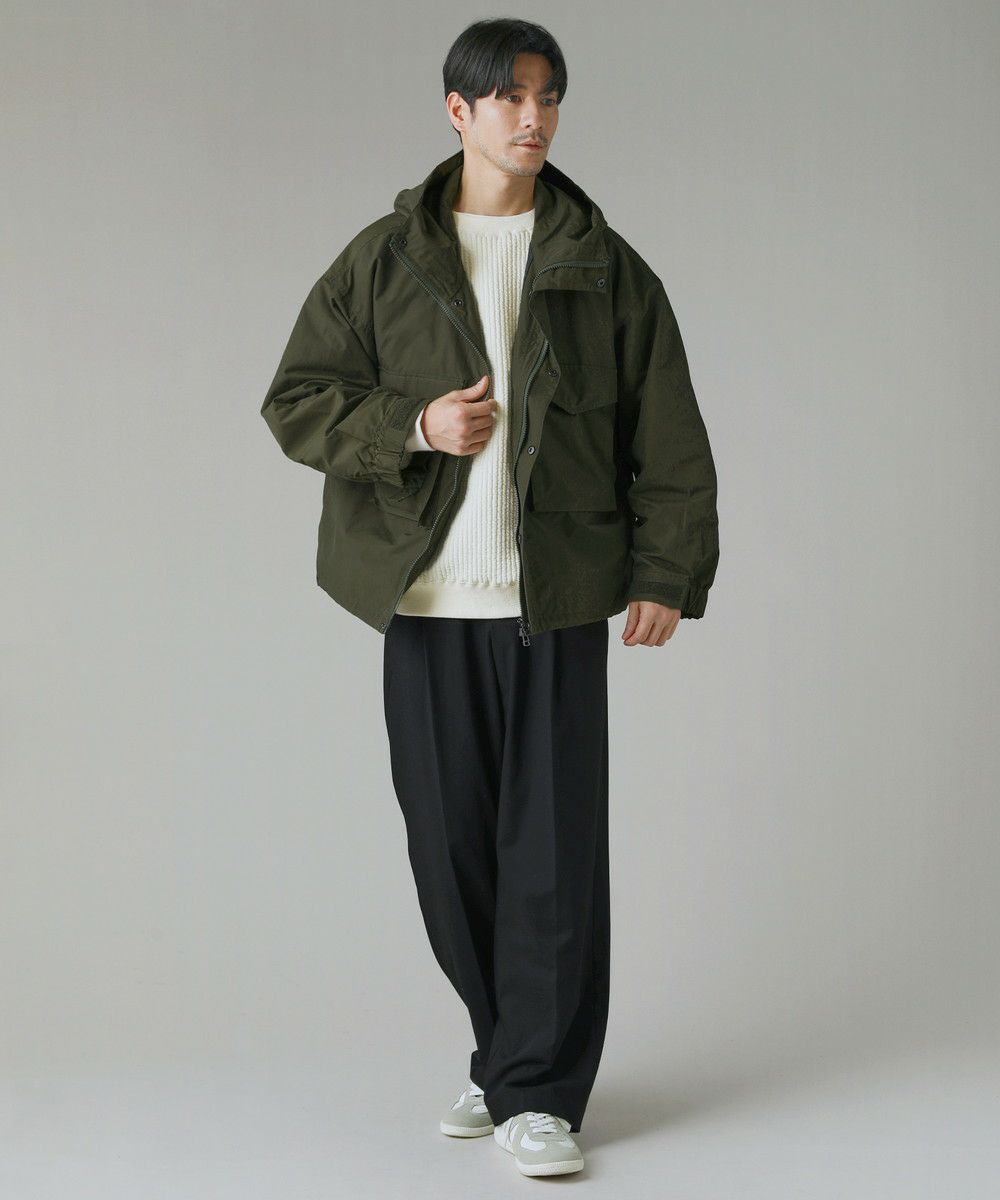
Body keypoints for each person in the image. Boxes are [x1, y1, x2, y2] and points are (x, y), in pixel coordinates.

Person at [261, 17, 719, 1179]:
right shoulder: (384, 259)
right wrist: (414, 425)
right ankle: (506, 1052)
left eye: (548, 96)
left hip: (553, 603)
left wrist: (664, 573)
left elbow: (668, 435)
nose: (533, 117)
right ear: (456, 111)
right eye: (509, 97)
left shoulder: (604, 266)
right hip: (422, 601)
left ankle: (539, 1093)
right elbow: (296, 401)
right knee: (450, 851)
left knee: (552, 858)